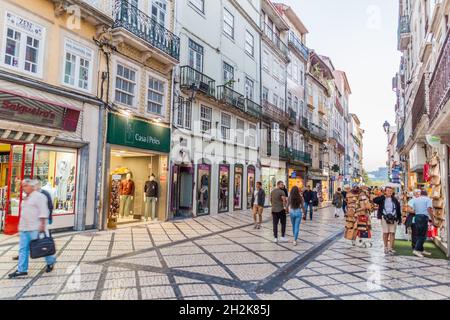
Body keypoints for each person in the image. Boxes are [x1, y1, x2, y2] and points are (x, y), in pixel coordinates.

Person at [9, 179, 56, 279]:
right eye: (23, 186)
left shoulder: (40, 196)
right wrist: (20, 228)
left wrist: (42, 225)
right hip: (25, 228)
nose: (24, 188)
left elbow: (44, 211)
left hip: (36, 227)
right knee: (23, 249)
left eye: (25, 185)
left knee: (43, 247)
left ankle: (51, 262)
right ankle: (22, 270)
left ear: (31, 186)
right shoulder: (26, 198)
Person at [373, 187, 402, 255]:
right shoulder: (382, 198)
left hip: (393, 218)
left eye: (391, 191)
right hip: (384, 217)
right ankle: (385, 247)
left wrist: (399, 219)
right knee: (386, 232)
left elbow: (398, 209)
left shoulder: (395, 199)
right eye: (388, 191)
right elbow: (374, 200)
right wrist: (383, 196)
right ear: (385, 191)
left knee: (392, 233)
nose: (389, 192)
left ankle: (390, 248)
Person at [408, 190, 435, 258]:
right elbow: (429, 209)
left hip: (417, 217)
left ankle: (421, 249)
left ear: (421, 194)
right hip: (423, 217)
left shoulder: (415, 199)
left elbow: (411, 208)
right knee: (423, 235)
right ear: (426, 194)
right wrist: (432, 219)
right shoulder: (428, 199)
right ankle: (416, 249)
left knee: (420, 234)